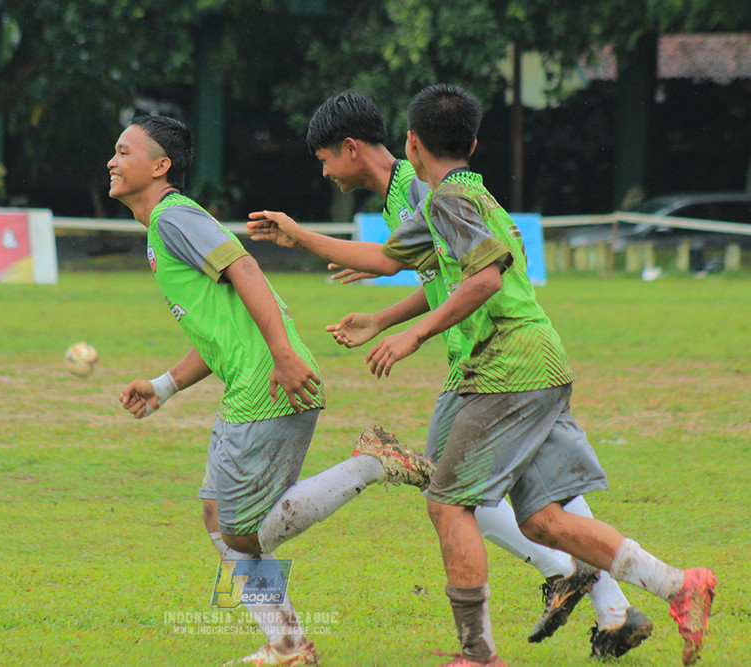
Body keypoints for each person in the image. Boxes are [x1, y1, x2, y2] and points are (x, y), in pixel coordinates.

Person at [253, 84, 717, 666]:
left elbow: (485, 278)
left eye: (324, 159)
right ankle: (678, 587)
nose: (324, 171)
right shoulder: (451, 194)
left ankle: (479, 655)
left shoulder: (440, 197)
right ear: (471, 143)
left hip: (505, 365)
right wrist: (300, 239)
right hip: (524, 361)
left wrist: (412, 334)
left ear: (411, 142)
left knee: (449, 502)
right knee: (545, 518)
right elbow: (389, 259)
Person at [108, 114, 435, 667]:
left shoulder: (173, 217)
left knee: (242, 535)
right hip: (255, 380)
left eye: (123, 151)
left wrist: (282, 354)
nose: (112, 162)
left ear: (160, 167)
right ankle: (286, 646)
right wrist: (164, 386)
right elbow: (219, 330)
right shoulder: (164, 228)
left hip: (268, 385)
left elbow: (247, 270)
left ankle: (369, 464)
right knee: (216, 512)